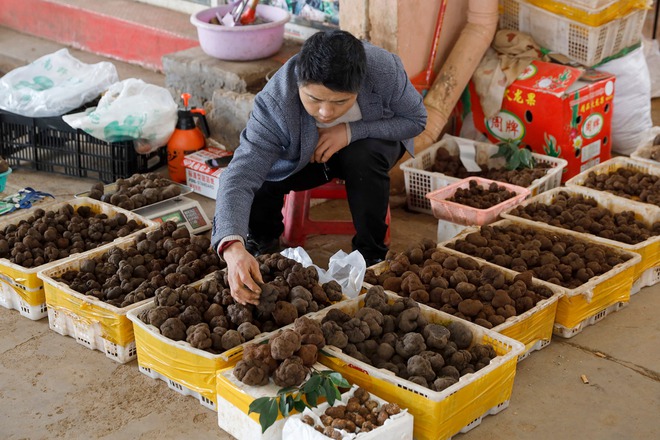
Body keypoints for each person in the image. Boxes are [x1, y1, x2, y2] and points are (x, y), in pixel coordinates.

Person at [211, 29, 427, 306]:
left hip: (370, 142)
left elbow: (415, 119)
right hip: (305, 155)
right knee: (263, 172)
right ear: (299, 81)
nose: (326, 112)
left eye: (340, 102)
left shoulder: (383, 70)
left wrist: (349, 131)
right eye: (314, 99)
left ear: (359, 86)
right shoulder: (275, 102)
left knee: (362, 157)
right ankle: (262, 242)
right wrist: (231, 246)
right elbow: (240, 174)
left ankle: (371, 254)